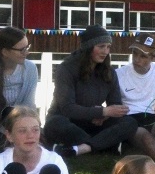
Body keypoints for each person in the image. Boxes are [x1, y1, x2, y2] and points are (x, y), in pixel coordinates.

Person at [47, 26, 137, 158]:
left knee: (130, 122)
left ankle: (83, 148)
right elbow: (68, 108)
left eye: (108, 47)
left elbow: (115, 105)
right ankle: (102, 147)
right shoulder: (66, 69)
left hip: (94, 121)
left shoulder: (109, 72)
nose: (105, 51)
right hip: (68, 121)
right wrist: (102, 112)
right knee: (56, 123)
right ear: (88, 47)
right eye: (101, 46)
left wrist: (105, 116)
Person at [116, 34, 155, 168]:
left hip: (152, 116)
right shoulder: (119, 74)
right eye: (134, 53)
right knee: (145, 136)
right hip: (129, 119)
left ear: (153, 58)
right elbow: (115, 105)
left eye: (143, 56)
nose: (136, 59)